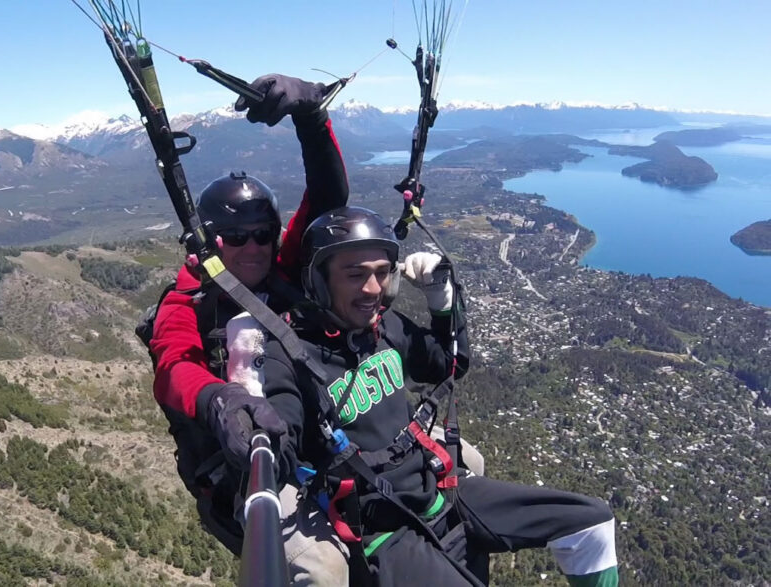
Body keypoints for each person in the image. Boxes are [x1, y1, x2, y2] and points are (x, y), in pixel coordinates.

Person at [255, 206, 619, 586]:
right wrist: (255, 413)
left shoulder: (383, 328)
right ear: (319, 281)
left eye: (382, 274)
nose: (374, 289)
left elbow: (450, 364)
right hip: (382, 528)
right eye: (355, 275)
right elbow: (283, 427)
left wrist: (442, 304)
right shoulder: (290, 354)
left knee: (591, 523)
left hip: (441, 489)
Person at [148, 73, 350, 559]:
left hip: (321, 444)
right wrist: (216, 398)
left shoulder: (282, 271)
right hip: (254, 464)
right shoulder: (189, 299)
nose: (255, 247)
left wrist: (311, 118)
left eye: (264, 233)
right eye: (237, 237)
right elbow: (173, 365)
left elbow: (327, 201)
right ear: (212, 242)